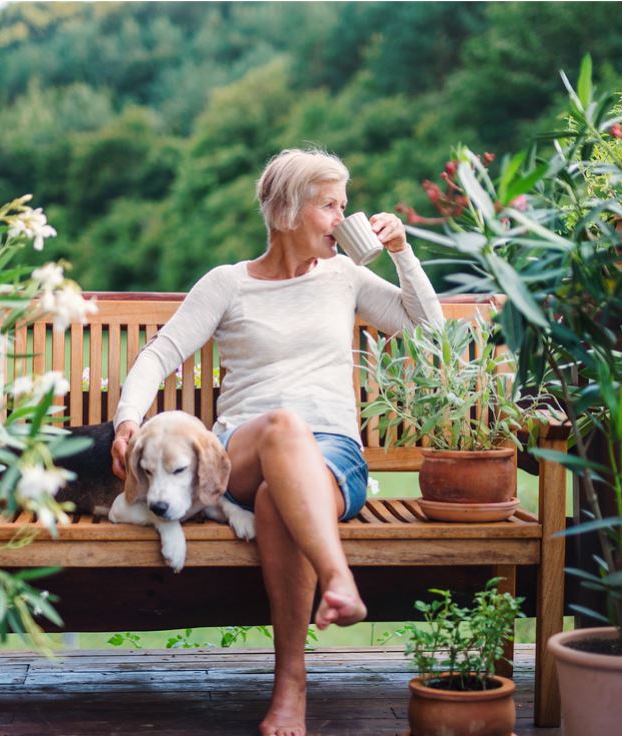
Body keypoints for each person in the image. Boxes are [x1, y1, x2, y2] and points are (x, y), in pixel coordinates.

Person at [110, 147, 444, 736]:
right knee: (284, 425)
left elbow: (428, 331)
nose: (343, 219)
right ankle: (338, 580)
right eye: (330, 206)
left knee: (275, 503)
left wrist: (402, 252)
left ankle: (290, 691)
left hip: (333, 454)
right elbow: (159, 353)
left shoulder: (345, 277)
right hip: (240, 449)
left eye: (345, 205)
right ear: (288, 212)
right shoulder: (227, 284)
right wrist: (127, 420)